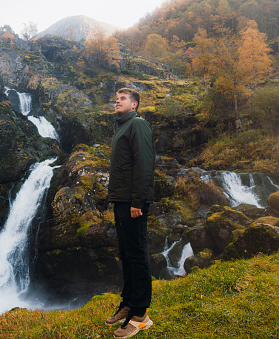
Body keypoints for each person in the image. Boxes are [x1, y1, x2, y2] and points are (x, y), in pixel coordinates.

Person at [106, 88, 155, 338]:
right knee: (126, 253)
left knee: (136, 254)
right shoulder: (122, 128)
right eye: (116, 98)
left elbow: (145, 166)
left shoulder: (138, 125)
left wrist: (138, 201)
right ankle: (128, 304)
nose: (117, 100)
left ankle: (140, 315)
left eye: (123, 98)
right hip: (121, 200)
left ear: (134, 105)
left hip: (133, 202)